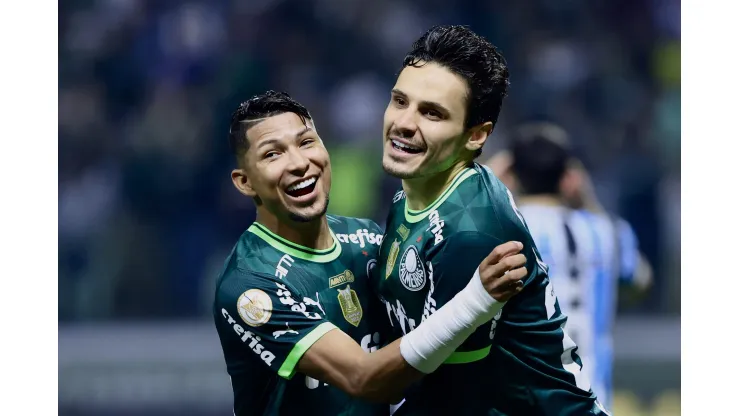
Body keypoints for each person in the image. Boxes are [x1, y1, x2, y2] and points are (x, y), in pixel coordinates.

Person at [212, 90, 526, 416]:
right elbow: (365, 377)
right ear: (245, 182)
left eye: (306, 143)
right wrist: (476, 299)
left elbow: (420, 346)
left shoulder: (367, 238)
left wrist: (478, 201)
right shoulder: (251, 284)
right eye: (273, 154)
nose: (299, 162)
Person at [372, 25, 609, 415]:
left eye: (432, 113)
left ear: (476, 136)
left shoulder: (471, 232)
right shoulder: (414, 195)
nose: (404, 122)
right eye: (400, 101)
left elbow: (446, 390)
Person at [486, 122, 652, 409]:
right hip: (594, 400)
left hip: (524, 401)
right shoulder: (608, 231)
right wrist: (589, 200)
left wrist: (486, 180)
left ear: (511, 174)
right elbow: (641, 282)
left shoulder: (500, 229)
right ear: (568, 177)